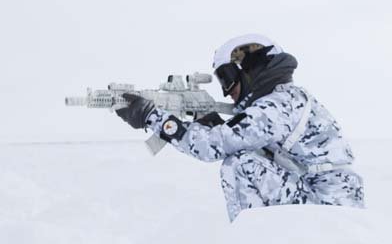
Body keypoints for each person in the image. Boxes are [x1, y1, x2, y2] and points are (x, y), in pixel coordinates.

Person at [114, 34, 365, 221]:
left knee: (238, 165)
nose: (228, 91)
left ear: (250, 68)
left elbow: (210, 148)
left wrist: (154, 118)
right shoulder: (288, 97)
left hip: (327, 207)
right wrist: (212, 125)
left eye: (227, 78)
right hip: (330, 201)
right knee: (245, 157)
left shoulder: (276, 105)